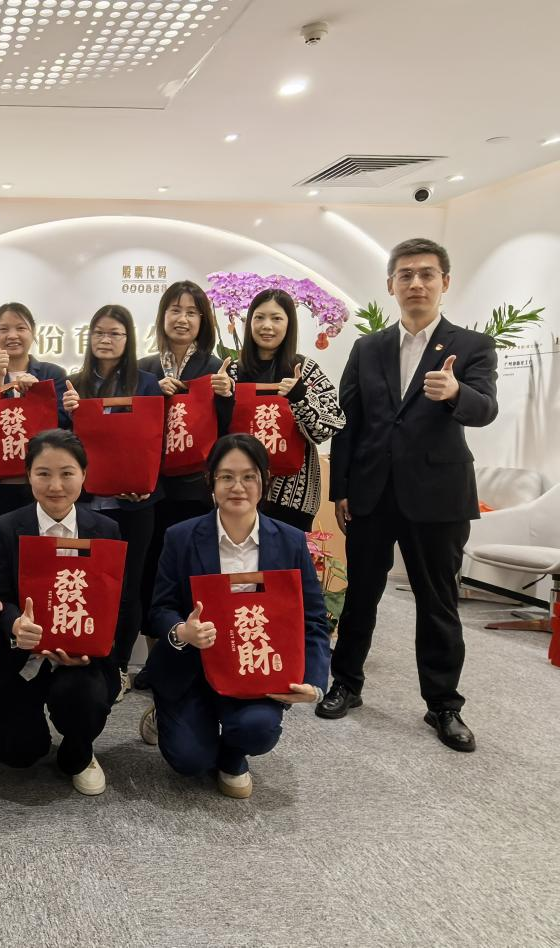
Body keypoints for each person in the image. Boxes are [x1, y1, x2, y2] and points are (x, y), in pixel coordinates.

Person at [318, 237, 498, 752]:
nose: (416, 283)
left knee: (438, 603)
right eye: (406, 275)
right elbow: (349, 423)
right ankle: (346, 684)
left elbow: (486, 408)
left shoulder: (473, 345)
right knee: (360, 597)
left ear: (445, 282)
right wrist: (341, 490)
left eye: (426, 274)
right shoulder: (368, 348)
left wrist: (457, 393)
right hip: (372, 495)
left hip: (438, 497)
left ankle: (443, 705)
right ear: (391, 285)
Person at [147, 433, 330, 799]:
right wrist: (182, 631)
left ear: (265, 480)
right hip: (192, 669)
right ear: (210, 481)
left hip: (253, 669)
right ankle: (174, 720)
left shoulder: (290, 542)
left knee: (258, 730)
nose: (238, 487)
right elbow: (159, 609)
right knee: (189, 759)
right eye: (226, 477)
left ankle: (233, 753)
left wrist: (314, 681)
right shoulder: (180, 537)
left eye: (249, 476)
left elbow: (312, 619)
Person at [0, 429, 122, 795]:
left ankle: (80, 751)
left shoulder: (106, 529)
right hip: (22, 656)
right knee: (17, 752)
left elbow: (113, 600)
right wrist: (15, 622)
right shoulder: (5, 527)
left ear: (84, 475)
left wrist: (91, 647)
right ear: (28, 475)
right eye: (43, 473)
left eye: (67, 473)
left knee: (85, 700)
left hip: (81, 661)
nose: (55, 485)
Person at [133, 281, 223, 713]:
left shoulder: (216, 368)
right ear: (162, 316)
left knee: (190, 575)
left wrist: (224, 395)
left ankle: (187, 659)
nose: (182, 318)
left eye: (191, 311)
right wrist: (152, 392)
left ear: (203, 320)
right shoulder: (144, 368)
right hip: (149, 490)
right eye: (174, 309)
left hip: (194, 492)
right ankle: (158, 658)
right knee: (153, 577)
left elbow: (228, 427)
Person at [64, 303, 162, 700]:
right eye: (99, 332)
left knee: (128, 588)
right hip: (86, 506)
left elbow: (156, 440)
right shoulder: (73, 385)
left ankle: (119, 666)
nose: (106, 340)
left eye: (115, 333)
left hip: (134, 505)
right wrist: (67, 414)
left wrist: (147, 485)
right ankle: (88, 659)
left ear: (128, 339)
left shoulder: (147, 384)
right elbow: (60, 446)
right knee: (87, 584)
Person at [212, 288, 345, 532]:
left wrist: (300, 396)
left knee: (287, 556)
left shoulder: (304, 369)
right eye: (259, 317)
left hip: (293, 495)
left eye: (276, 318)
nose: (267, 326)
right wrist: (222, 397)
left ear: (289, 324)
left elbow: (330, 426)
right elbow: (215, 432)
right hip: (238, 492)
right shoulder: (232, 372)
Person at [0, 302, 70, 532]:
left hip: (41, 483)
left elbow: (62, 423)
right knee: (2, 545)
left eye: (20, 328)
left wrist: (38, 394)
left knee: (39, 546)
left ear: (33, 332)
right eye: (3, 329)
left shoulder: (52, 374)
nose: (12, 335)